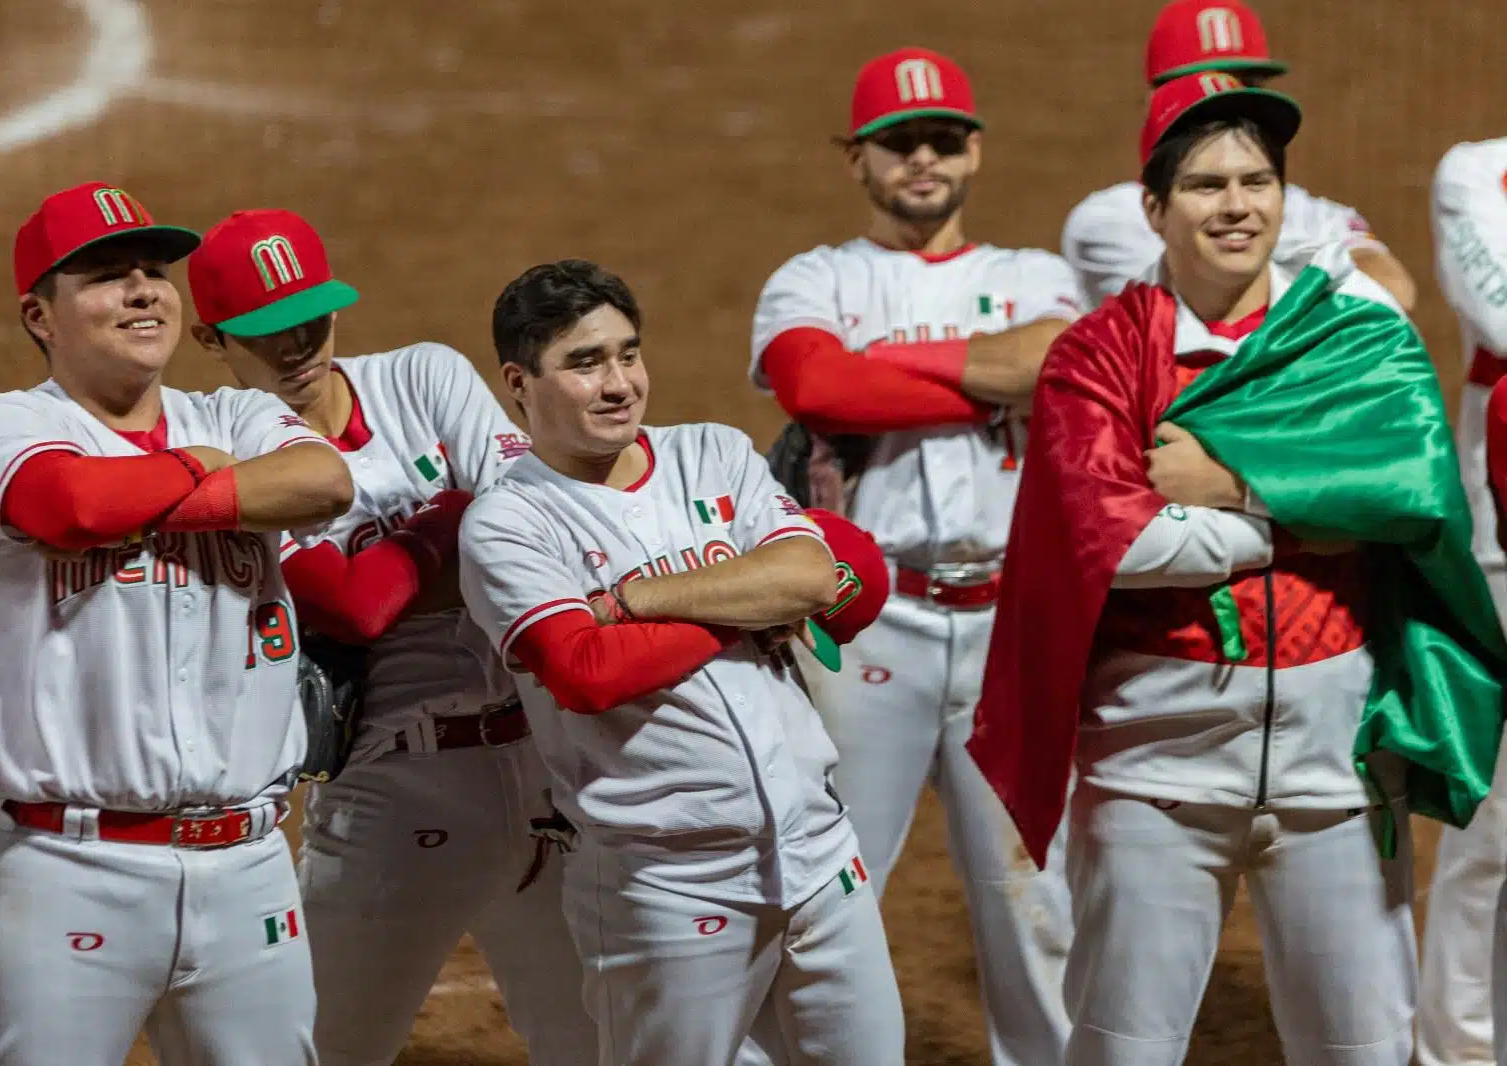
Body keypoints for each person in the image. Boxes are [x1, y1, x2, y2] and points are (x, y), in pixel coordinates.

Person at [970, 74, 1507, 1066]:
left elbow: (1408, 499)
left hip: (1334, 772)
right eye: (1208, 184)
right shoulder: (1098, 357)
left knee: (1366, 1050)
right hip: (1155, 771)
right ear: (1154, 208)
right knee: (1123, 1049)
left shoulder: (1353, 339)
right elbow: (1114, 545)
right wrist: (1307, 513)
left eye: (1257, 181)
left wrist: (1226, 483)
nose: (1237, 205)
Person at [0, 182, 354, 1065]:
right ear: (39, 315)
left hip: (249, 869)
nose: (144, 292)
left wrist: (165, 484)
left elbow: (324, 481)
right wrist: (207, 478)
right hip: (64, 875)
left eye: (154, 272)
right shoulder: (2, 425)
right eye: (105, 276)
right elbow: (72, 503)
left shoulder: (234, 414)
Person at [458, 258, 905, 1066]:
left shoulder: (714, 453)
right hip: (666, 885)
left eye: (628, 354)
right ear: (519, 382)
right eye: (585, 363)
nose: (619, 383)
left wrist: (636, 600)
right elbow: (588, 672)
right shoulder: (508, 524)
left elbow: (812, 575)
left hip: (819, 854)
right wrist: (745, 605)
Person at [185, 208, 597, 1066]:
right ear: (212, 337)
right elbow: (349, 608)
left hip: (543, 774)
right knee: (324, 1052)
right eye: (268, 333)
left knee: (603, 1043)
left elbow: (546, 528)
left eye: (312, 319)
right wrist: (456, 519)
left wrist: (417, 552)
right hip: (395, 795)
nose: (299, 347)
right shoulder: (227, 453)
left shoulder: (423, 376)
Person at [748, 46, 1083, 1066]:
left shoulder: (1033, 274)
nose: (923, 158)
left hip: (1009, 626)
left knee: (1035, 902)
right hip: (866, 623)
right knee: (826, 881)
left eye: (942, 137)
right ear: (858, 158)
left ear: (974, 149)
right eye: (899, 143)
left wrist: (882, 364)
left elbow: (1058, 361)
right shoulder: (816, 277)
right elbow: (815, 387)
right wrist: (992, 380)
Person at [1060, 0, 1415, 313]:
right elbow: (1205, 304)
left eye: (1248, 83)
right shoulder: (1108, 220)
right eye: (1201, 86)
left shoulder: (1311, 209)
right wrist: (1317, 263)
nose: (1227, 97)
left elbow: (1393, 292)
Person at [1416, 135, 1507, 1066]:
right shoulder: (1478, 171)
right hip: (1501, 541)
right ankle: (1459, 1051)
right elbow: (1503, 314)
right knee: (1497, 826)